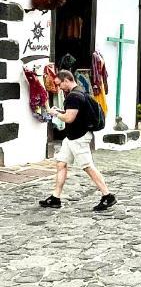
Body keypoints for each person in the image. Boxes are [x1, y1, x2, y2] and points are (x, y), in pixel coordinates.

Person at [39, 69, 116, 212]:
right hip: (72, 137)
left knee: (88, 166)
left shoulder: (73, 97)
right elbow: (73, 115)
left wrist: (56, 113)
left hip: (78, 138)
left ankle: (107, 195)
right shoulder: (80, 91)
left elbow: (69, 118)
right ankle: (55, 198)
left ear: (66, 80)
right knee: (61, 163)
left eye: (59, 84)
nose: (59, 88)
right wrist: (61, 112)